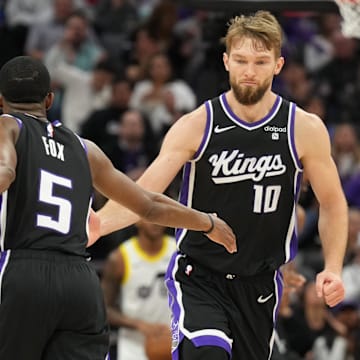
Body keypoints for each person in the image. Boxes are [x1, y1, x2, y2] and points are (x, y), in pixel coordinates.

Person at [96, 11, 348, 360]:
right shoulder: (197, 124)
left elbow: (333, 203)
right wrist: (98, 225)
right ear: (226, 61)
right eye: (241, 60)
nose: (249, 71)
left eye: (261, 62)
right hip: (200, 275)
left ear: (278, 65)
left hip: (260, 284)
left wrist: (333, 267)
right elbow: (143, 193)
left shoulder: (303, 128)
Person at [0, 56, 235, 360]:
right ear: (49, 100)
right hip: (80, 283)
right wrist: (207, 222)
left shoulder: (7, 126)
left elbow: (5, 169)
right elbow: (148, 204)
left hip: (22, 273)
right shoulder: (85, 149)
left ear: (1, 101)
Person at [101, 220, 175, 360]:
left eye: (159, 216)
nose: (155, 221)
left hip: (172, 341)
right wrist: (140, 325)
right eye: (149, 216)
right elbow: (104, 309)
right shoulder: (119, 258)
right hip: (133, 346)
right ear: (136, 220)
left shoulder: (177, 252)